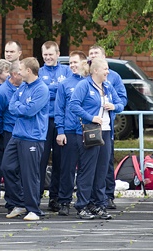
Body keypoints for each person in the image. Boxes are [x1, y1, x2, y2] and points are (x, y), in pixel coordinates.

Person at [69, 58, 124, 220]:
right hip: (91, 131)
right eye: (105, 69)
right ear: (95, 71)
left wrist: (114, 107)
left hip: (106, 131)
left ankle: (99, 204)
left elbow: (120, 103)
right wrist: (90, 117)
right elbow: (74, 105)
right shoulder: (84, 85)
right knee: (88, 170)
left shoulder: (107, 86)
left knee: (102, 170)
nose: (108, 72)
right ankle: (82, 205)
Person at [2, 57, 50, 221]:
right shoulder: (22, 86)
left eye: (21, 69)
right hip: (17, 135)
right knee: (6, 167)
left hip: (33, 137)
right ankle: (20, 202)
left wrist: (19, 108)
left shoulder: (41, 89)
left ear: (29, 70)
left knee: (30, 174)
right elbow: (11, 105)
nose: (18, 72)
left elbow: (29, 111)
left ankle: (33, 209)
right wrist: (20, 108)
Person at [87, 44, 127, 209]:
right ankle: (91, 198)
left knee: (106, 162)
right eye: (91, 53)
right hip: (90, 127)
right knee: (90, 164)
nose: (94, 55)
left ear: (103, 56)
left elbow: (122, 100)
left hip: (106, 126)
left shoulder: (113, 77)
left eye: (97, 53)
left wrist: (114, 106)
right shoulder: (85, 77)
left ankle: (107, 196)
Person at [38, 41, 72, 212]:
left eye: (51, 54)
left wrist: (52, 91)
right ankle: (35, 197)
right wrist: (56, 90)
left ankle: (55, 198)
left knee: (60, 161)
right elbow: (41, 93)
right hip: (43, 122)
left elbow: (65, 93)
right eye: (45, 54)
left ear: (58, 54)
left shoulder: (66, 71)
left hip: (61, 122)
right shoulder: (39, 71)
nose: (48, 57)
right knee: (40, 161)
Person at [54, 50, 89, 216]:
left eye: (76, 62)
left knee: (85, 169)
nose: (73, 66)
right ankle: (64, 201)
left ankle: (83, 202)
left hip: (87, 131)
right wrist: (60, 131)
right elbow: (59, 109)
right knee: (67, 168)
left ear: (84, 63)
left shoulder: (90, 82)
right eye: (70, 63)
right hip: (69, 130)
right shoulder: (65, 84)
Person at [0, 61, 22, 212]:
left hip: (22, 132)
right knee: (9, 167)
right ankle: (11, 201)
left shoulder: (24, 87)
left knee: (20, 168)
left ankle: (18, 199)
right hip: (8, 132)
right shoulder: (3, 92)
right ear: (14, 74)